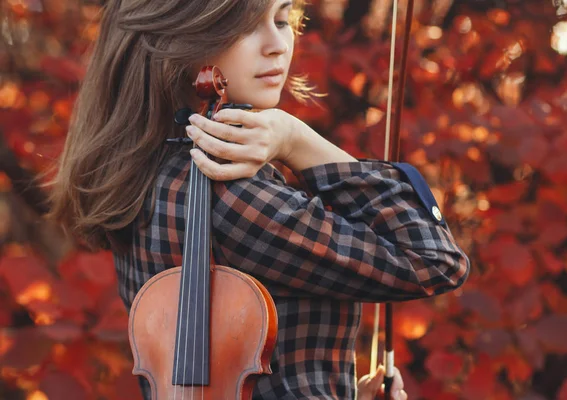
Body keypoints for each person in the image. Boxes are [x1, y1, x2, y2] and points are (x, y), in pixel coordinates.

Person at [48, 0, 470, 398]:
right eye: (247, 25)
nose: (278, 46)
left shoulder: (142, 170)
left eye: (283, 19)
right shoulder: (232, 194)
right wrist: (296, 139)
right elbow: (434, 260)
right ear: (178, 40)